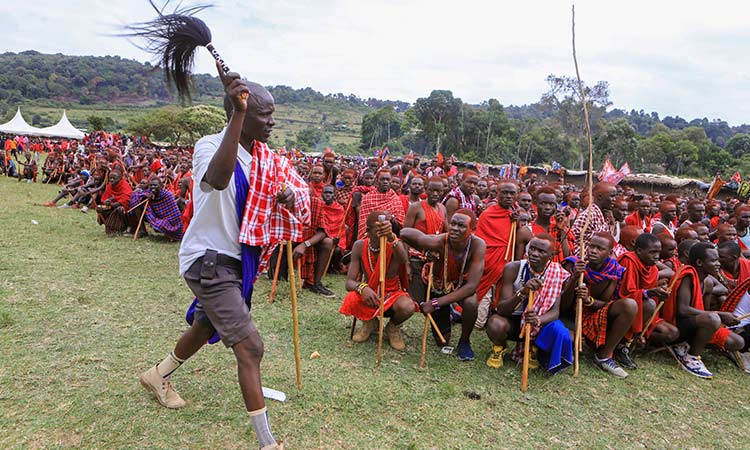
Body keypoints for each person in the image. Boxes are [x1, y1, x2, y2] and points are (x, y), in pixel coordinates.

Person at [139, 69, 307, 450]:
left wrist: (288, 199)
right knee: (250, 347)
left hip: (238, 262)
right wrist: (235, 115)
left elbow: (297, 198)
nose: (272, 122)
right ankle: (268, 444)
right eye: (264, 114)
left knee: (204, 326)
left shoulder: (266, 161)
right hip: (208, 260)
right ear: (241, 114)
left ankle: (158, 375)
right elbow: (216, 179)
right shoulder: (208, 145)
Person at [401, 209, 486, 360]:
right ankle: (451, 314)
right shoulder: (439, 241)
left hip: (460, 287)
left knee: (471, 303)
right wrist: (425, 249)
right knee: (443, 341)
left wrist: (435, 303)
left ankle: (464, 341)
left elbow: (471, 286)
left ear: (472, 230)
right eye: (452, 224)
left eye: (461, 225)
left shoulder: (477, 245)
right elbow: (405, 233)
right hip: (439, 286)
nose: (454, 228)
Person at [485, 235, 574, 373]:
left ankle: (533, 349)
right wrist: (523, 292)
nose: (534, 254)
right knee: (495, 324)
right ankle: (499, 347)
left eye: (541, 251)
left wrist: (537, 320)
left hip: (537, 324)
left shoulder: (556, 273)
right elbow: (502, 309)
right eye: (532, 248)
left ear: (551, 256)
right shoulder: (513, 268)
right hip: (513, 321)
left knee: (566, 334)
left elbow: (555, 312)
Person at [662, 242, 743, 378]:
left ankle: (691, 345)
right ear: (699, 262)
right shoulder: (688, 276)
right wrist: (719, 315)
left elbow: (702, 311)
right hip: (676, 326)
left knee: (737, 342)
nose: (718, 264)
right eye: (713, 260)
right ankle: (691, 357)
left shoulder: (707, 282)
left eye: (718, 259)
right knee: (713, 318)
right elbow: (682, 309)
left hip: (695, 325)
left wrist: (715, 318)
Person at [562, 232, 635, 378]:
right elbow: (562, 304)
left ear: (610, 252)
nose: (593, 251)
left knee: (630, 305)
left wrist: (589, 300)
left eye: (600, 248)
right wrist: (574, 278)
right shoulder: (574, 263)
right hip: (569, 315)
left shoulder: (614, 270)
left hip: (594, 313)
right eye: (592, 246)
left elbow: (605, 302)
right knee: (568, 339)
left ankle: (604, 356)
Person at [340, 211, 414, 350]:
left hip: (392, 294)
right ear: (368, 231)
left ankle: (392, 328)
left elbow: (403, 260)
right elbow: (349, 282)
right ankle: (370, 323)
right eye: (378, 230)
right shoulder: (359, 246)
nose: (383, 233)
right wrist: (363, 288)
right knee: (352, 298)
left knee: (407, 307)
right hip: (370, 294)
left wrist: (391, 237)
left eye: (386, 228)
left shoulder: (396, 244)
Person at [615, 233, 680, 369]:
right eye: (652, 252)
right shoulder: (629, 261)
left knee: (672, 333)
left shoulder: (653, 267)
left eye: (658, 252)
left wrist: (659, 292)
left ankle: (635, 340)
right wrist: (649, 292)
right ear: (639, 251)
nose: (657, 256)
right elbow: (625, 293)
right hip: (622, 306)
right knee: (650, 304)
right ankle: (622, 344)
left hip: (643, 310)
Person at [474, 182, 519, 330]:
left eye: (512, 193)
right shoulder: (487, 215)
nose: (508, 196)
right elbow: (481, 242)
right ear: (497, 193)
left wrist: (517, 223)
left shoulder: (515, 216)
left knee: (502, 297)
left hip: (506, 264)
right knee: (479, 322)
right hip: (488, 264)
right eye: (505, 192)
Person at [403, 177, 448, 307]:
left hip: (435, 258)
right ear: (426, 190)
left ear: (442, 192)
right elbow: (405, 235)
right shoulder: (416, 208)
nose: (435, 194)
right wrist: (406, 263)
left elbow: (446, 233)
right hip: (416, 257)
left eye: (438, 191)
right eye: (432, 190)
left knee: (432, 297)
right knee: (416, 299)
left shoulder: (442, 208)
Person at [515, 187, 572, 263]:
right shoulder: (526, 231)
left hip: (556, 273)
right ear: (536, 204)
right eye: (543, 203)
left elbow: (567, 257)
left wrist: (562, 230)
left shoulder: (559, 228)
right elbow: (519, 262)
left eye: (551, 204)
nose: (548, 208)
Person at [293, 193, 335, 297]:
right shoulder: (288, 202)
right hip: (288, 240)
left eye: (308, 195)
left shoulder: (317, 204)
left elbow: (322, 232)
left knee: (328, 242)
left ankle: (315, 283)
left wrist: (304, 244)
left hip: (307, 240)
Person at [356, 169, 405, 240]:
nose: (385, 182)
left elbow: (401, 228)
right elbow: (364, 226)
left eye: (387, 179)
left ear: (391, 181)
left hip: (391, 238)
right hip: (371, 238)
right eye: (382, 179)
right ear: (376, 181)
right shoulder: (367, 198)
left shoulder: (396, 199)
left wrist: (392, 219)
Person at [572, 182, 617, 255]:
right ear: (600, 196)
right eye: (612, 196)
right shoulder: (588, 216)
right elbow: (575, 242)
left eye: (615, 196)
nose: (614, 199)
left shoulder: (605, 216)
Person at [96, 169, 132, 235]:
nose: (112, 180)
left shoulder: (125, 186)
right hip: (112, 206)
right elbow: (104, 199)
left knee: (120, 209)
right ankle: (110, 227)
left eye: (114, 178)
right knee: (99, 208)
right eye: (110, 178)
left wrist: (112, 205)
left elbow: (125, 200)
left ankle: (126, 227)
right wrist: (106, 202)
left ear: (120, 178)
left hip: (125, 209)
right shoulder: (109, 185)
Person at [320, 184, 346, 274]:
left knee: (337, 250)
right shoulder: (319, 207)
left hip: (336, 238)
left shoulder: (339, 209)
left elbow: (340, 227)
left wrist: (336, 238)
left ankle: (332, 267)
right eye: (326, 193)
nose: (328, 195)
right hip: (321, 236)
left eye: (330, 193)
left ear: (334, 195)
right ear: (322, 194)